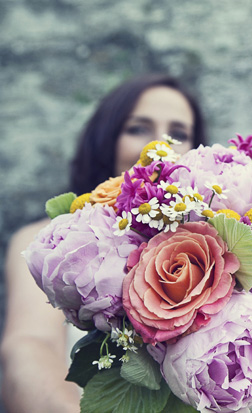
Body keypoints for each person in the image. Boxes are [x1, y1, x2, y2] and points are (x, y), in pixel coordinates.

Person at [0, 74, 207, 412]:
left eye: (179, 133)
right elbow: (28, 347)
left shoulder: (218, 248)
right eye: (138, 128)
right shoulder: (46, 242)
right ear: (106, 138)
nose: (159, 147)